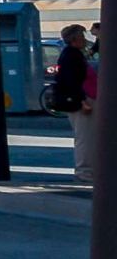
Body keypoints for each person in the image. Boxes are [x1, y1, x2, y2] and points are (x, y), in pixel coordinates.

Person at [53, 24, 94, 183]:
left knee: (85, 136)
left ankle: (86, 170)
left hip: (80, 99)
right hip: (80, 101)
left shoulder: (71, 54)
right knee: (85, 137)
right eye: (82, 36)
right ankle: (84, 172)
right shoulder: (72, 55)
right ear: (74, 39)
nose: (84, 40)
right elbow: (72, 81)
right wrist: (82, 101)